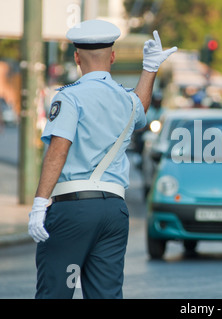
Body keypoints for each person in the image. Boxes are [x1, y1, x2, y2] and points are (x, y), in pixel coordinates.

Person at [27, 19, 177, 299]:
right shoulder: (125, 99)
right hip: (114, 212)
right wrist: (150, 69)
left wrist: (39, 203)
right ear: (113, 56)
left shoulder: (69, 97)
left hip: (74, 209)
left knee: (55, 292)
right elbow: (140, 110)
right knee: (105, 295)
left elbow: (58, 149)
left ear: (76, 57)